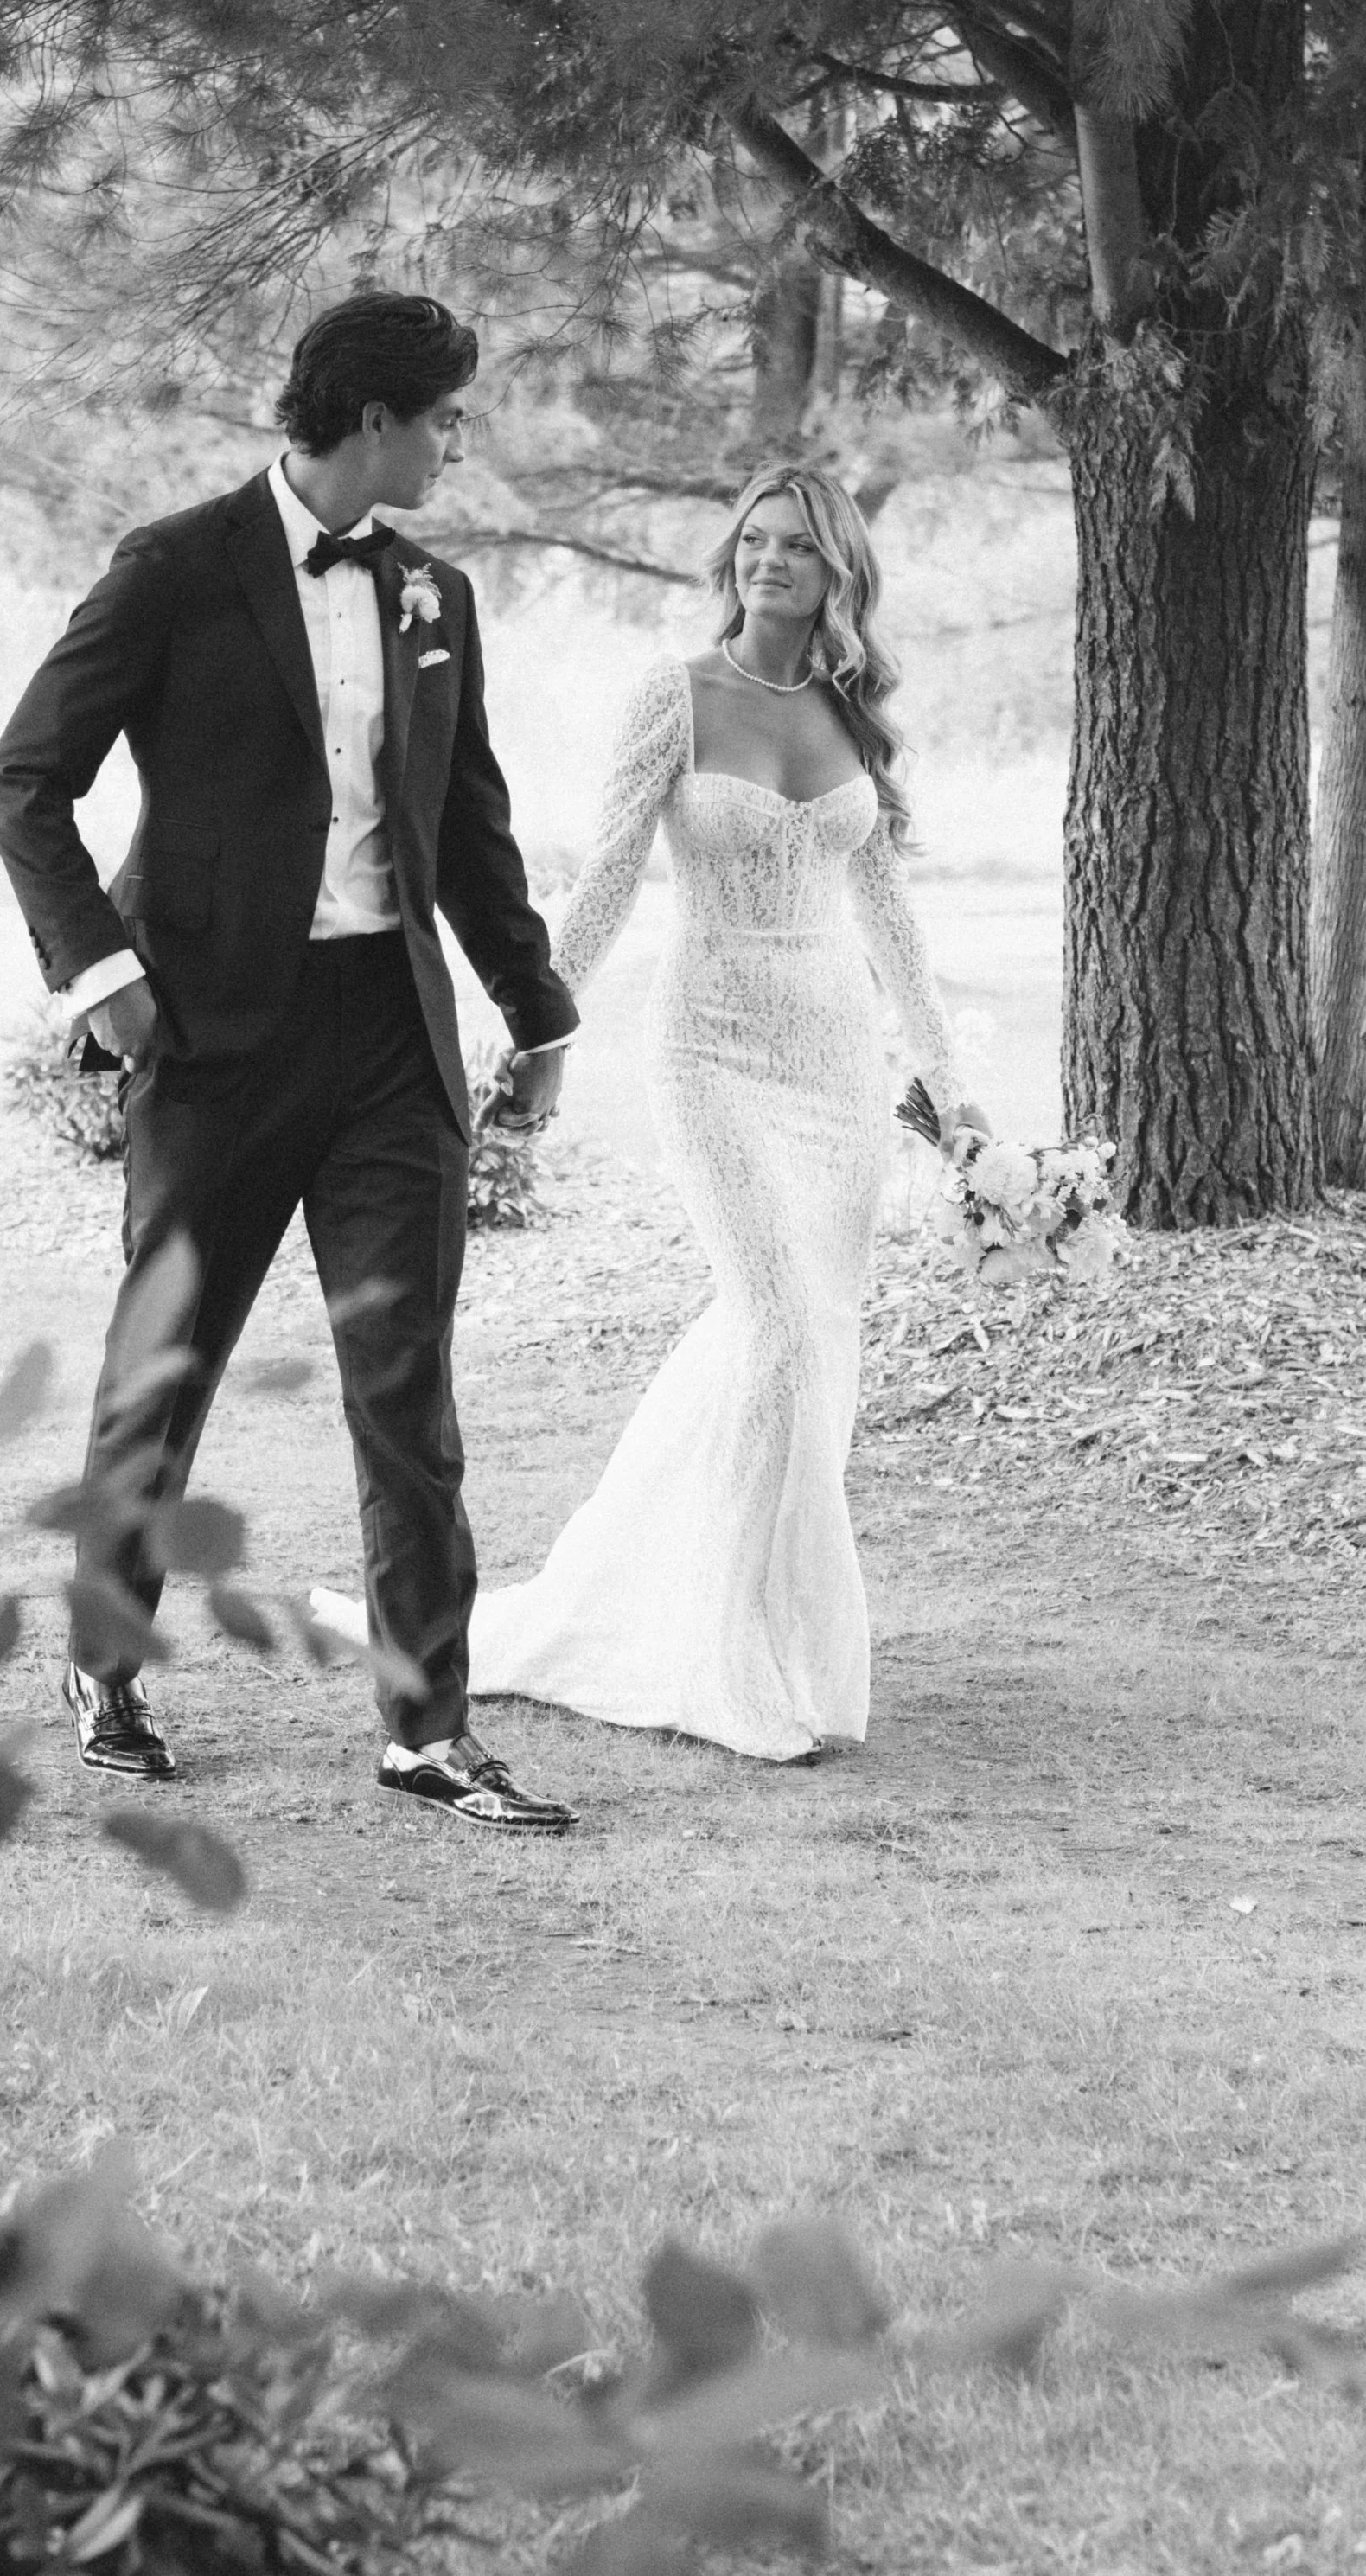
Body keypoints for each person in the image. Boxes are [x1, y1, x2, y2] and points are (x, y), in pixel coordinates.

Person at [0, 291, 579, 1831]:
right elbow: (28, 776)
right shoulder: (175, 567)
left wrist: (537, 1008)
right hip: (214, 1039)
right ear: (376, 419)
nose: (457, 440)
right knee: (165, 1366)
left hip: (390, 1039)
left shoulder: (437, 594)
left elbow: (468, 824)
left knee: (407, 1391)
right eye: (445, 415)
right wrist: (103, 976)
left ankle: (427, 1728)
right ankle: (106, 1663)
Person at [467, 462, 984, 1761]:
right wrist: (541, 1028)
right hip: (709, 1047)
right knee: (775, 1326)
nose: (768, 563)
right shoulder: (677, 693)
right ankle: (724, 1665)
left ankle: (765, 1628)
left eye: (796, 547)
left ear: (837, 571)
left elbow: (891, 918)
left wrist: (950, 1088)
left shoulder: (852, 711)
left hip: (837, 1064)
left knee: (814, 1346)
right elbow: (605, 879)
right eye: (753, 541)